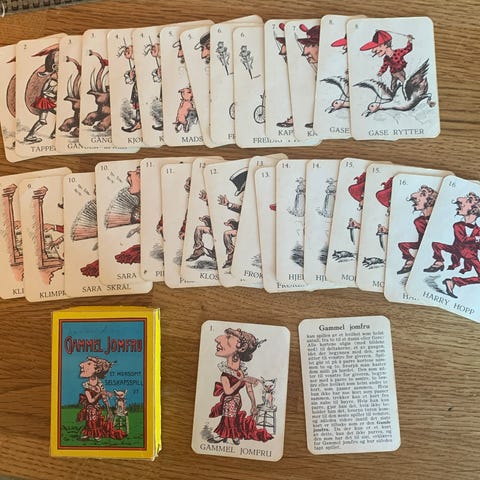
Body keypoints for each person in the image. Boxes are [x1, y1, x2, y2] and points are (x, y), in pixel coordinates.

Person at [208, 327, 272, 445]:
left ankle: (230, 435)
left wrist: (253, 405)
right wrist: (241, 380)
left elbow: (249, 389)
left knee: (230, 417)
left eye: (228, 337)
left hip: (236, 400)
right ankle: (228, 435)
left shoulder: (242, 371)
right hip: (228, 399)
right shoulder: (225, 374)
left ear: (241, 348)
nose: (217, 339)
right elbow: (228, 391)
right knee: (228, 417)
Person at [423, 192, 480, 298]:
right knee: (436, 245)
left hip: (470, 256)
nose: (460, 205)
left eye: (467, 201)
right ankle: (439, 262)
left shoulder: (478, 230)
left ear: (474, 210)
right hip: (456, 249)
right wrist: (476, 239)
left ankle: (454, 282)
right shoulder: (457, 225)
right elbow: (462, 239)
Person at [77, 356, 126, 441]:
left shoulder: (100, 385)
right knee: (89, 422)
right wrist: (100, 393)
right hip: (89, 408)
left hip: (96, 409)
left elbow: (104, 398)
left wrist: (109, 411)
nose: (81, 364)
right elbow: (91, 400)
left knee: (96, 421)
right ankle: (88, 434)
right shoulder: (87, 386)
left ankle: (96, 434)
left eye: (89, 364)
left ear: (98, 370)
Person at [360, 30, 413, 98]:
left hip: (400, 73)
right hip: (393, 74)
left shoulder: (398, 52)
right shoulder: (386, 58)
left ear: (385, 45)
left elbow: (408, 49)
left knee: (404, 84)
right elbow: (384, 66)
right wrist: (381, 72)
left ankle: (408, 96)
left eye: (378, 46)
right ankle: (394, 96)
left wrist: (409, 41)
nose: (373, 50)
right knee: (393, 86)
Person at [397, 185, 437, 274]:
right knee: (402, 245)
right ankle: (410, 261)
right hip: (421, 244)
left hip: (433, 244)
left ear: (430, 200)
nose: (414, 197)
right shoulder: (418, 221)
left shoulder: (437, 219)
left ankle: (439, 262)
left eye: (423, 194)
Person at [24, 46, 59, 143]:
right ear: (54, 67)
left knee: (42, 121)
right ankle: (54, 134)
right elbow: (46, 92)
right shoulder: (54, 80)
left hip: (47, 102)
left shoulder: (55, 78)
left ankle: (30, 136)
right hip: (46, 103)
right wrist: (54, 96)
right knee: (59, 115)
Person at [118, 44, 141, 133]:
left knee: (140, 107)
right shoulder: (135, 66)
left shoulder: (140, 64)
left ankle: (138, 124)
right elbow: (132, 80)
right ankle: (138, 123)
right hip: (136, 89)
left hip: (140, 89)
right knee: (138, 107)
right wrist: (131, 76)